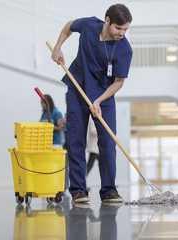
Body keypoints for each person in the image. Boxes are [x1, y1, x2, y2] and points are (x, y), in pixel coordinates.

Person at [51, 3, 132, 204]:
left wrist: (98, 100)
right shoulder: (88, 25)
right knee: (75, 141)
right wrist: (57, 47)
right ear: (107, 21)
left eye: (125, 29)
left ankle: (109, 191)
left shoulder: (124, 50)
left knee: (107, 142)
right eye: (118, 28)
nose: (122, 33)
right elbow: (69, 26)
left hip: (104, 96)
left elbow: (118, 82)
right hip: (78, 88)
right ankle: (78, 190)